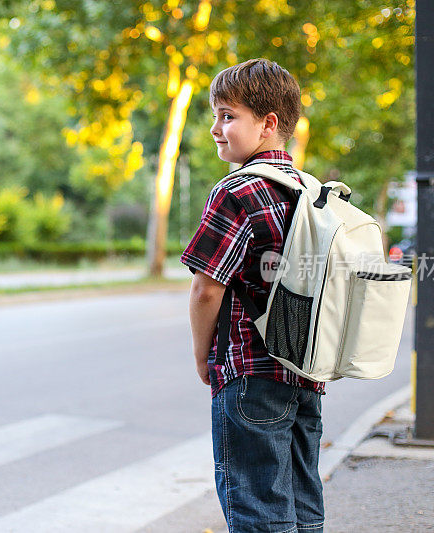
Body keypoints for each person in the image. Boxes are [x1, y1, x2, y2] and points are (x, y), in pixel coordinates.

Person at [181, 58, 325, 532]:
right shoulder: (314, 192)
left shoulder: (237, 191)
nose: (215, 128)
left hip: (248, 373)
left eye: (228, 115)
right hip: (306, 372)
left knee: (257, 511)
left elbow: (206, 290)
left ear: (268, 124)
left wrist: (203, 356)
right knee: (303, 507)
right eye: (216, 115)